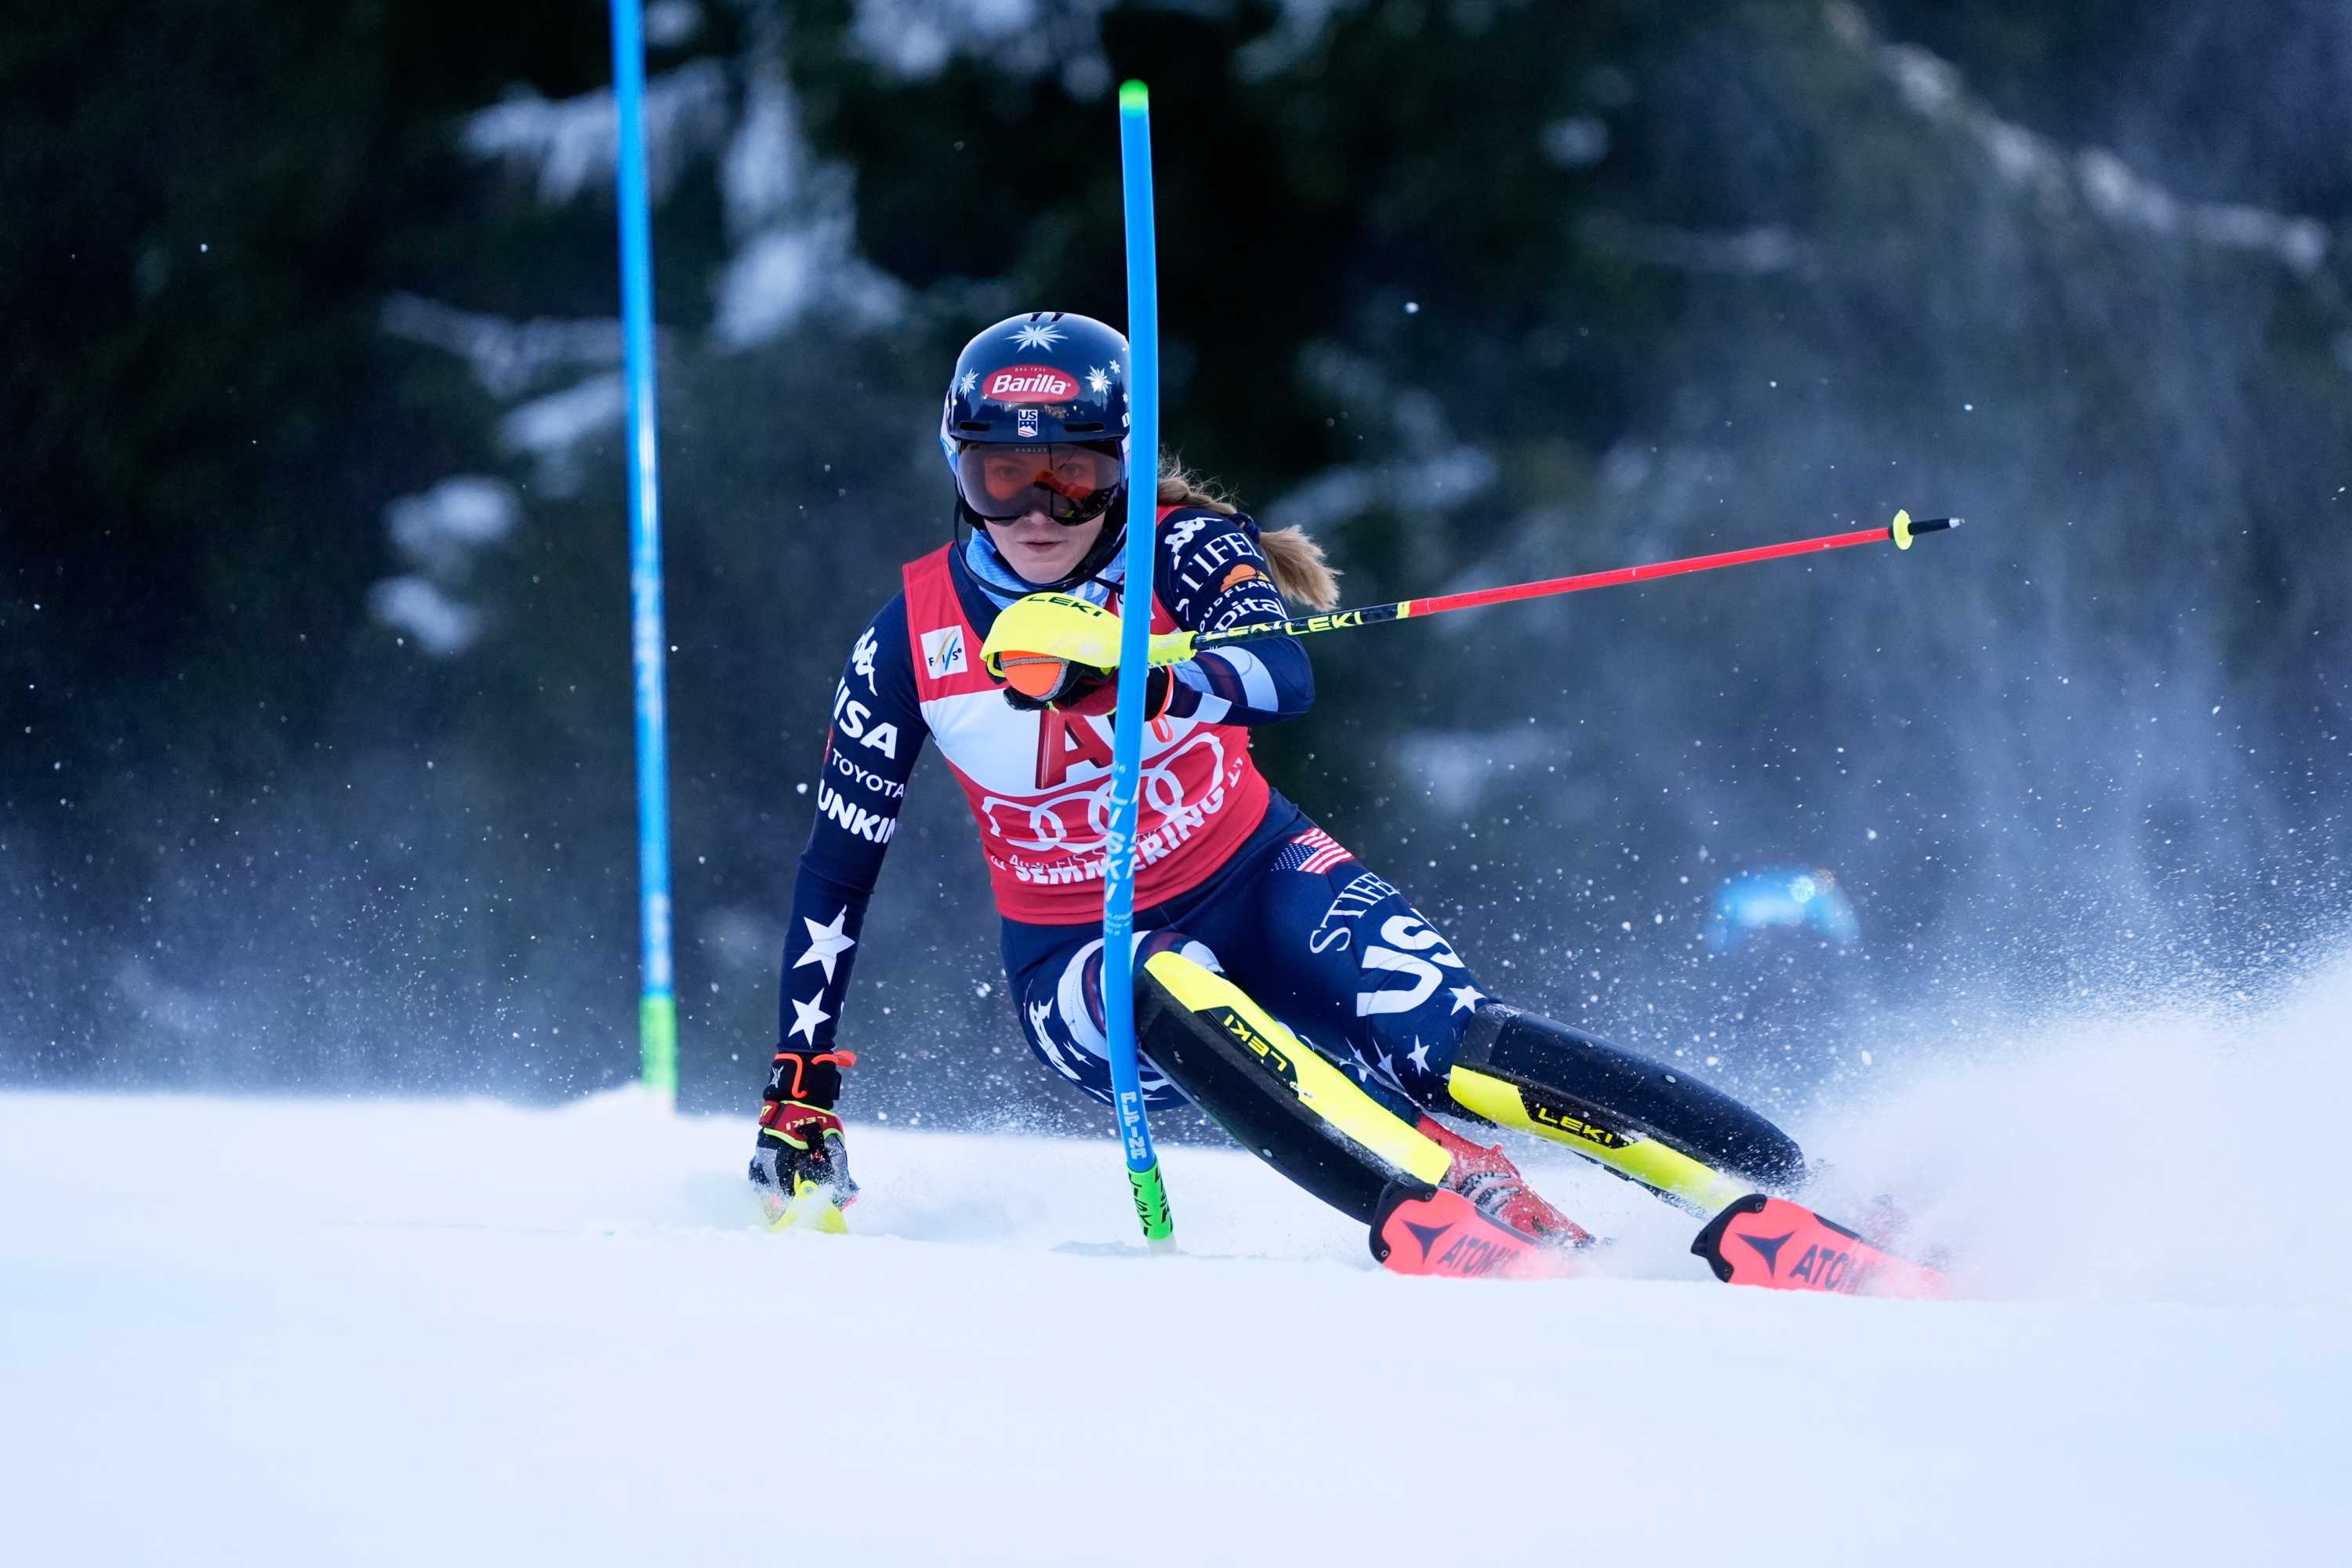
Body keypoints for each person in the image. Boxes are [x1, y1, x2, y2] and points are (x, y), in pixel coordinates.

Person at [750, 310, 1803, 1249]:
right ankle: (1448, 1196)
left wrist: (1131, 681)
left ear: (1125, 465)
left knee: (1453, 1049)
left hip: (1265, 876)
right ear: (958, 468)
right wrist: (799, 1084)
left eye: (1074, 475)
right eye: (1001, 475)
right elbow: (839, 872)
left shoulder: (1188, 546)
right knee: (1155, 981)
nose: (1038, 509)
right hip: (1076, 953)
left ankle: (1788, 1182)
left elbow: (1277, 675)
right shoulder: (906, 643)